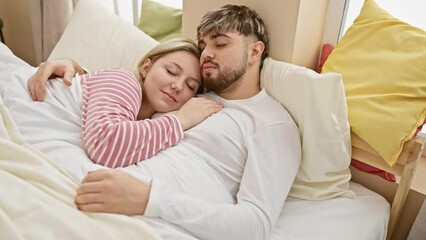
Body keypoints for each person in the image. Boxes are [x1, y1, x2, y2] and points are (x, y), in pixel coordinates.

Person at [28, 4, 301, 240]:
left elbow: (255, 225)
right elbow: (127, 102)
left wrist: (149, 199)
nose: (205, 53)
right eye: (203, 45)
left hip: (141, 212)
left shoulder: (271, 123)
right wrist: (77, 71)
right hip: (90, 183)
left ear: (255, 52)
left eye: (220, 43)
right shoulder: (187, 95)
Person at [28, 38, 223, 168]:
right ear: (146, 67)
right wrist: (180, 121)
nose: (178, 86)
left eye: (190, 85)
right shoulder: (125, 81)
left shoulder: (144, 117)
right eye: (171, 71)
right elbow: (106, 144)